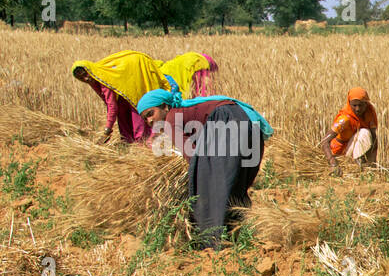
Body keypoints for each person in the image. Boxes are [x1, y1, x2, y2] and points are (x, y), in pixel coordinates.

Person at [137, 88, 274, 250]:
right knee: (236, 184)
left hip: (226, 121)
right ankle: (240, 234)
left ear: (165, 107)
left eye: (150, 113)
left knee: (206, 187)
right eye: (145, 118)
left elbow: (192, 155)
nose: (149, 120)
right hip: (247, 124)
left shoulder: (170, 120)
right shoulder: (185, 112)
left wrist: (198, 174)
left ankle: (213, 243)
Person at [71, 50, 175, 144]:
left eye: (86, 74)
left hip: (134, 79)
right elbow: (112, 104)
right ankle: (129, 142)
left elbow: (112, 106)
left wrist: (107, 130)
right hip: (125, 88)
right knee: (122, 114)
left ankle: (143, 145)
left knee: (137, 115)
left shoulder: (103, 77)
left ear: (89, 70)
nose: (86, 78)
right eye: (82, 78)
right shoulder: (95, 79)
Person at [321, 87, 378, 172]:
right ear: (349, 103)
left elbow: (374, 139)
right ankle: (357, 164)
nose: (357, 109)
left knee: (366, 133)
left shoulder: (369, 113)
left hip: (352, 149)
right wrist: (333, 163)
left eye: (360, 105)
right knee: (364, 132)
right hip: (339, 153)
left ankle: (361, 164)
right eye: (354, 105)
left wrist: (373, 163)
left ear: (366, 104)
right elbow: (324, 141)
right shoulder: (345, 119)